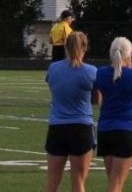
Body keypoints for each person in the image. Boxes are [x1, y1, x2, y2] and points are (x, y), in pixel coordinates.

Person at [94, 37, 132, 192]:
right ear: (129, 55)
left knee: (113, 181)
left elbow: (96, 98)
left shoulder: (101, 73)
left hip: (105, 130)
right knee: (116, 184)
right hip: (126, 130)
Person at [44, 31, 97, 192]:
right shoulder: (91, 71)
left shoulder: (53, 68)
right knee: (78, 182)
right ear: (85, 48)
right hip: (81, 127)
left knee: (52, 182)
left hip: (57, 127)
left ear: (65, 47)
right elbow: (97, 100)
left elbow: (54, 88)